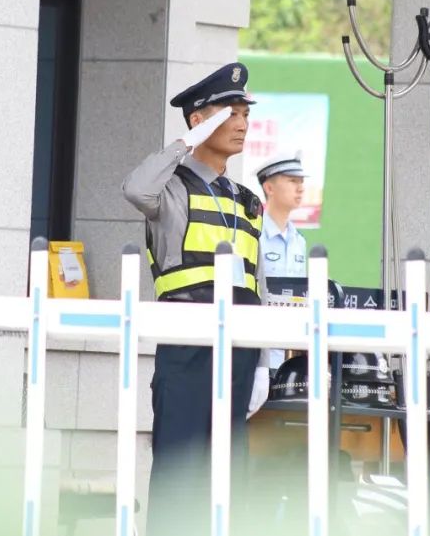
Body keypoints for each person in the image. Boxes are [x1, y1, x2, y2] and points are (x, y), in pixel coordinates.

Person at [121, 62, 270, 536]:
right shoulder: (171, 190)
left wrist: (263, 363)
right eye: (230, 113)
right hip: (187, 347)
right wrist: (185, 142)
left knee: (228, 482)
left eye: (245, 113)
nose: (242, 123)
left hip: (240, 351)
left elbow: (258, 285)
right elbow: (135, 188)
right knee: (178, 479)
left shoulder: (247, 200)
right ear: (199, 119)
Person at [255, 152, 308, 371]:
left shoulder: (299, 241)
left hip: (290, 355)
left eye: (301, 182)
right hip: (259, 351)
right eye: (292, 181)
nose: (300, 188)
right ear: (269, 188)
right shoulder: (255, 235)